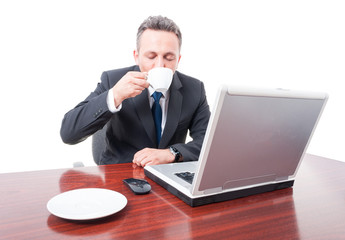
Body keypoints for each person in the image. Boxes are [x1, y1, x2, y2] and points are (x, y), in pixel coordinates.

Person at [60, 16, 210, 167]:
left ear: (178, 60)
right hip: (120, 174)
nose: (160, 65)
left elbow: (209, 143)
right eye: (151, 56)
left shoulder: (195, 89)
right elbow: (68, 133)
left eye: (169, 57)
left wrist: (171, 153)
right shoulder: (113, 80)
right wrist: (115, 95)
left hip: (168, 176)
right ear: (136, 57)